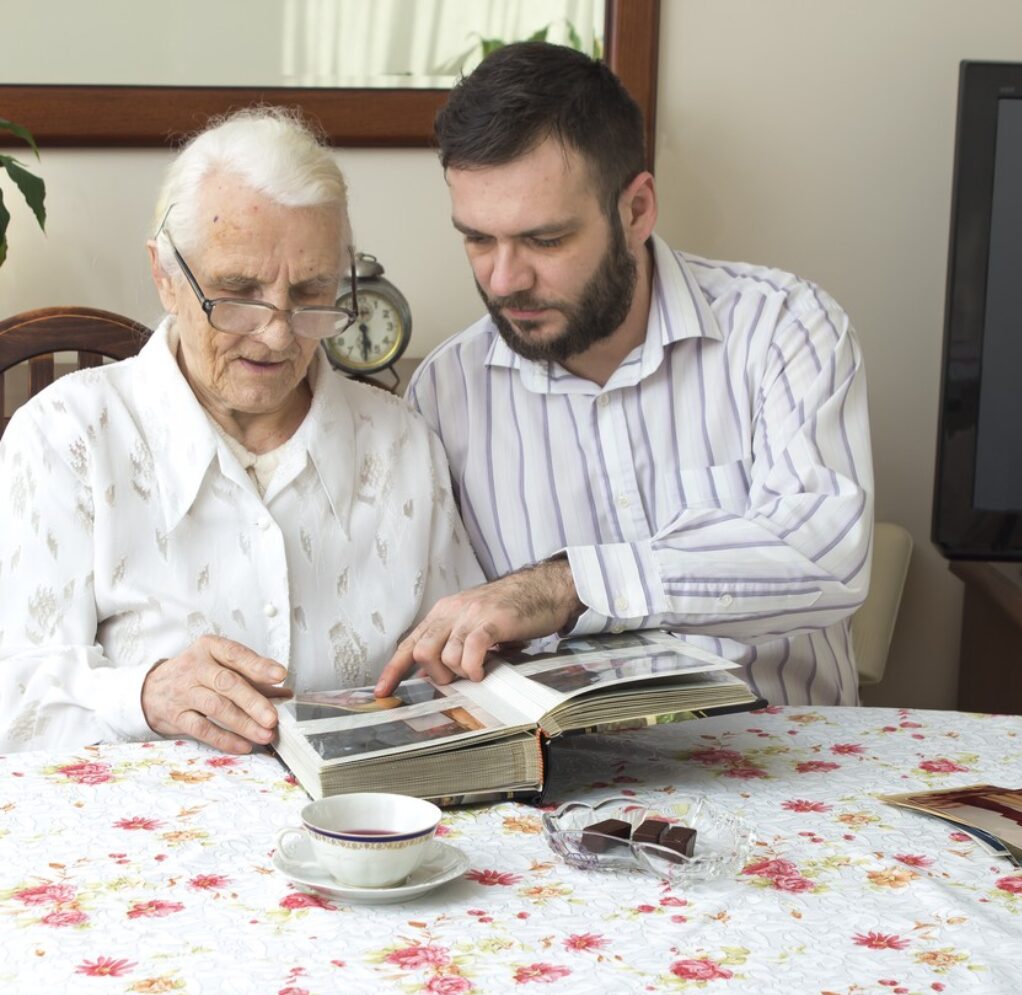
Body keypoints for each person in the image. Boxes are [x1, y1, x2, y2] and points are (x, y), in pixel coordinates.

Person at [376, 42, 873, 706]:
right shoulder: (444, 392)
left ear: (636, 210)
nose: (503, 279)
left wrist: (568, 585)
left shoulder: (785, 328)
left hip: (789, 762)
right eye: (477, 238)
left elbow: (828, 553)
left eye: (544, 240)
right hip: (562, 788)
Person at [0, 108, 483, 754]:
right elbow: (15, 704)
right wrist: (143, 695)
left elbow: (469, 685)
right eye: (238, 292)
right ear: (165, 277)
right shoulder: (67, 439)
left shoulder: (400, 446)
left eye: (312, 295)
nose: (279, 334)